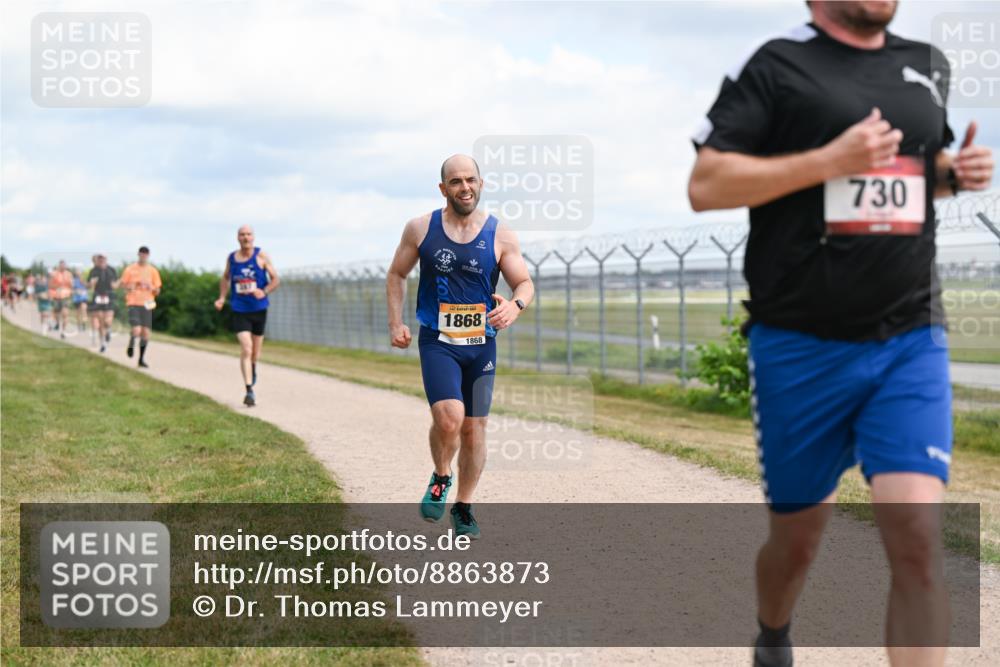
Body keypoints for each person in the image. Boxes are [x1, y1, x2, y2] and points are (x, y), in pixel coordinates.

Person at [687, 2, 994, 666]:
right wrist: (829, 158)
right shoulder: (774, 64)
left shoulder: (925, 65)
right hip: (799, 345)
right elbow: (706, 185)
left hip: (909, 335)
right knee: (798, 538)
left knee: (916, 533)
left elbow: (907, 175)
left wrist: (950, 175)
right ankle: (773, 633)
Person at [385, 154, 534, 539]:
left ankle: (464, 507)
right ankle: (440, 476)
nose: (464, 187)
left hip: (481, 343)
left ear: (481, 184)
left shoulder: (501, 234)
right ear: (443, 188)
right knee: (449, 418)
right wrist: (396, 322)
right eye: (455, 182)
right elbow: (397, 274)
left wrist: (515, 307)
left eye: (470, 180)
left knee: (474, 429)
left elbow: (525, 284)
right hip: (439, 340)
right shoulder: (420, 228)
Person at [214, 225, 280, 407]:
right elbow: (226, 278)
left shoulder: (261, 256)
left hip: (259, 309)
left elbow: (276, 279)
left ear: (253, 237)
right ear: (237, 238)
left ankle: (252, 368)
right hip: (239, 309)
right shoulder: (232, 258)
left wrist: (264, 290)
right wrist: (221, 298)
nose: (246, 237)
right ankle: (249, 390)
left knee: (255, 354)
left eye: (249, 234)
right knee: (246, 348)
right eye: (242, 234)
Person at [120, 246, 162, 368]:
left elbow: (158, 290)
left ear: (148, 256)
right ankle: (132, 342)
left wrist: (151, 287)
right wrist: (135, 285)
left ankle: (141, 359)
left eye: (146, 254)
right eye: (141, 254)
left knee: (146, 333)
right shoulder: (130, 269)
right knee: (137, 329)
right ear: (138, 254)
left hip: (148, 304)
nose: (143, 256)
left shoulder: (153, 271)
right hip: (133, 302)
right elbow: (123, 285)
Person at [88, 254, 119, 353]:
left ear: (106, 259)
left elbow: (115, 285)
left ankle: (108, 329)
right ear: (98, 260)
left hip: (109, 296)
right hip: (98, 296)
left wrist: (117, 284)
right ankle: (103, 344)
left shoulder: (112, 270)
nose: (101, 260)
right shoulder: (94, 271)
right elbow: (89, 284)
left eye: (103, 258)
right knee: (101, 321)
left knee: (108, 321)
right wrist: (91, 283)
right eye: (100, 258)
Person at [48, 260, 73, 339]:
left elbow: (71, 285)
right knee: (56, 313)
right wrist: (57, 287)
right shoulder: (54, 274)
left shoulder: (69, 274)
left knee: (65, 314)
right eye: (61, 265)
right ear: (59, 266)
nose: (62, 267)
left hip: (65, 297)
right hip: (56, 296)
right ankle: (57, 324)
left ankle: (63, 331)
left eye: (64, 265)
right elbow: (50, 285)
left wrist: (70, 287)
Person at [71, 269, 89, 333]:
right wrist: (76, 291)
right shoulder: (74, 281)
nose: (79, 274)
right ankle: (79, 326)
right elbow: (72, 289)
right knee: (78, 314)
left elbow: (88, 286)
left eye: (79, 273)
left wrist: (84, 283)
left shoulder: (84, 280)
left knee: (84, 309)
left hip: (84, 298)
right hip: (77, 298)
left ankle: (84, 324)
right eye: (77, 273)